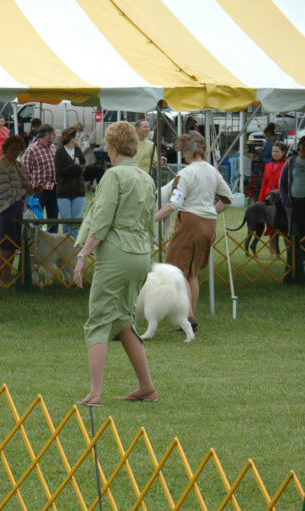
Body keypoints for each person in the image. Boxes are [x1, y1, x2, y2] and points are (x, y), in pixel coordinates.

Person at [73, 121, 157, 406]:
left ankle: (95, 393)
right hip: (140, 255)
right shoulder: (146, 177)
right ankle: (147, 387)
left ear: (112, 147)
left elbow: (102, 221)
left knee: (97, 320)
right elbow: (150, 222)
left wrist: (82, 256)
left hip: (117, 254)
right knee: (123, 321)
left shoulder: (112, 176)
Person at [154, 131, 232, 333]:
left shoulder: (185, 174)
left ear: (188, 150)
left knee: (179, 272)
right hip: (209, 225)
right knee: (192, 273)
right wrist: (211, 213)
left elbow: (174, 204)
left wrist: (152, 218)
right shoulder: (212, 171)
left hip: (190, 223)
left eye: (182, 149)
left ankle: (188, 317)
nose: (181, 153)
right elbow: (228, 198)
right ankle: (190, 317)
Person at [0, 134, 31, 286]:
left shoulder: (18, 166)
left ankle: (6, 276)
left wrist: (33, 189)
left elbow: (25, 185)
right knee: (6, 245)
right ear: (5, 149)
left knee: (13, 245)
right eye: (12, 149)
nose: (15, 152)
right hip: (5, 209)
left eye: (17, 149)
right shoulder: (0, 166)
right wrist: (24, 190)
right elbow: (5, 192)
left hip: (18, 208)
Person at [22, 124, 59, 233]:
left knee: (53, 220)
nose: (55, 137)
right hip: (39, 191)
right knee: (35, 220)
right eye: (54, 135)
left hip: (54, 189)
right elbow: (25, 173)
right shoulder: (31, 150)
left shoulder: (54, 148)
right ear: (47, 135)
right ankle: (34, 245)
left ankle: (53, 245)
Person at [54, 127, 86, 239]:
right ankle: (67, 250)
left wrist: (75, 168)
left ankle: (76, 251)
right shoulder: (60, 152)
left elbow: (83, 165)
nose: (78, 138)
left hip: (79, 192)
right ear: (70, 137)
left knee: (77, 222)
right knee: (67, 223)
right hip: (63, 192)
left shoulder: (78, 150)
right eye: (76, 136)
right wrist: (74, 167)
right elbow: (60, 171)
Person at [259, 142, 287, 255]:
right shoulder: (267, 165)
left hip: (282, 199)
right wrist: (261, 201)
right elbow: (264, 183)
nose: (274, 154)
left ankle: (288, 249)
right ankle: (272, 251)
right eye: (273, 151)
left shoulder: (287, 165)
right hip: (269, 199)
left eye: (277, 151)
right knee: (270, 226)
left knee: (285, 226)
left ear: (283, 152)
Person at [278, 136, 305, 240]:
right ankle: (294, 255)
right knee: (294, 230)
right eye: (303, 145)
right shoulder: (291, 162)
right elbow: (282, 182)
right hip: (293, 201)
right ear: (299, 146)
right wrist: (285, 200)